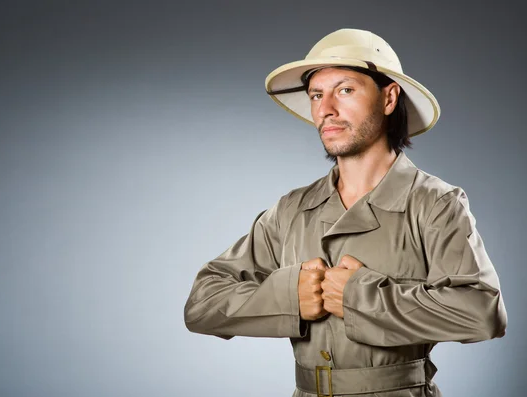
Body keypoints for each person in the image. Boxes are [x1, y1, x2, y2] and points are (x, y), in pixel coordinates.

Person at [184, 28, 507, 397]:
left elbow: (481, 313)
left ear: (388, 98)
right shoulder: (291, 209)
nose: (326, 109)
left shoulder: (435, 203)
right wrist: (290, 297)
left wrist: (358, 297)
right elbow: (202, 304)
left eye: (345, 90)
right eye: (317, 95)